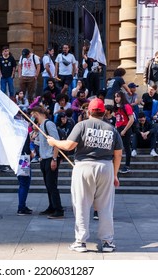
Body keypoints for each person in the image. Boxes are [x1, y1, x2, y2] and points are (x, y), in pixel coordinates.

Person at [47, 97, 123, 253]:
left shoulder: (81, 125)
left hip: (83, 167)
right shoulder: (112, 129)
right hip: (106, 167)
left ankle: (80, 241)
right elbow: (118, 155)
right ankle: (107, 241)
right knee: (105, 207)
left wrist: (54, 142)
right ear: (104, 113)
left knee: (81, 204)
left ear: (89, 112)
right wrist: (115, 175)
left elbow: (68, 146)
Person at [30, 106, 63, 219]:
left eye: (34, 114)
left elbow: (56, 141)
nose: (33, 117)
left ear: (38, 113)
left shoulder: (48, 124)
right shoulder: (40, 126)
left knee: (52, 185)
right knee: (48, 185)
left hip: (50, 158)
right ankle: (52, 206)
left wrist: (54, 158)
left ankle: (58, 209)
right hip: (44, 158)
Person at [114, 91, 134, 174]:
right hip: (118, 128)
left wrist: (124, 130)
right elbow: (117, 119)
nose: (116, 98)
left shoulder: (126, 106)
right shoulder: (117, 107)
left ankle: (127, 166)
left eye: (118, 96)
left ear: (122, 97)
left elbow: (131, 119)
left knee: (126, 147)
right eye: (115, 97)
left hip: (125, 128)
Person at [17, 133, 33, 215]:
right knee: (24, 183)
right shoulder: (22, 129)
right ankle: (21, 207)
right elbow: (26, 145)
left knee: (22, 183)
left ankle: (22, 205)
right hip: (24, 158)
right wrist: (30, 153)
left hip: (17, 157)